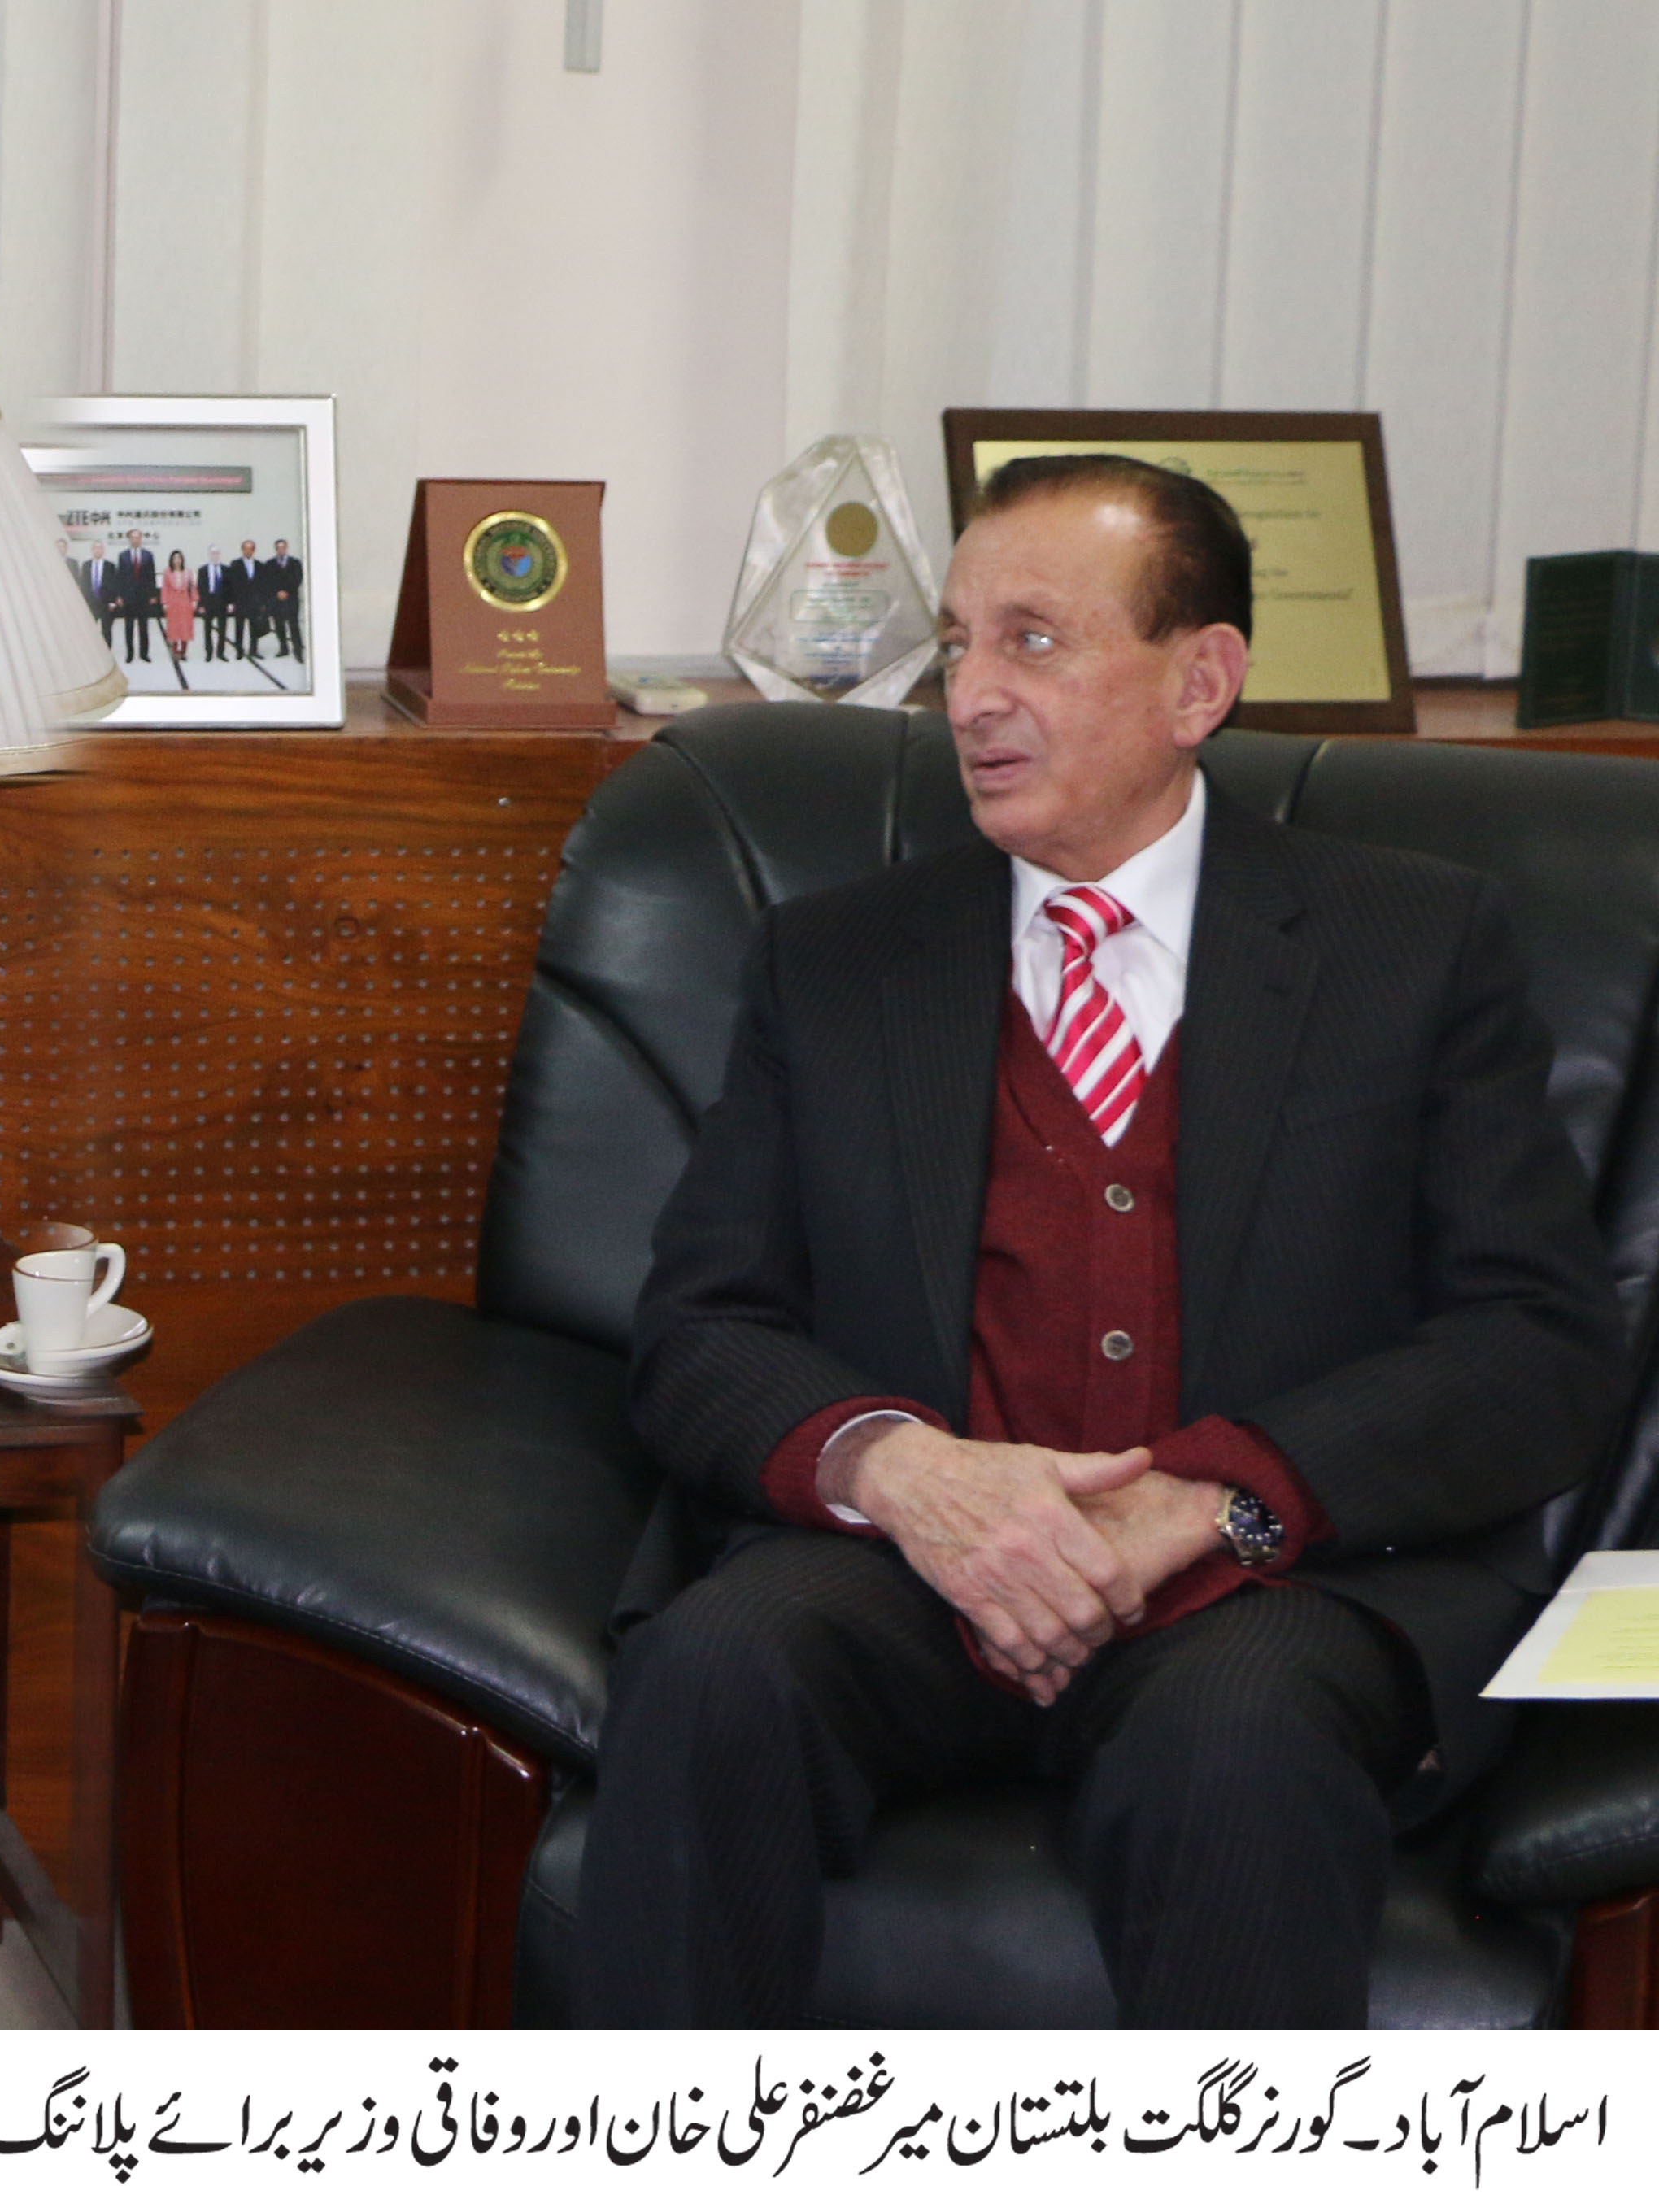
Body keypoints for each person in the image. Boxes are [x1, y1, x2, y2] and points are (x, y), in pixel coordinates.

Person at [573, 453, 1622, 2029]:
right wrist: (909, 1476)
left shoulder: (1409, 946)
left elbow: (1534, 1346)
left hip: (1264, 1589)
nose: (970, 696)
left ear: (1199, 682)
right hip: (904, 1575)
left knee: (1236, 1743)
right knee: (714, 1669)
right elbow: (700, 1328)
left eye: (1034, 641)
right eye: (958, 643)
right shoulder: (838, 962)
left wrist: (1204, 1501)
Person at [117, 532, 159, 664]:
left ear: (141, 539)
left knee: (144, 627)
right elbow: (120, 577)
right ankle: (130, 654)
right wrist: (119, 596)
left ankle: (144, 654)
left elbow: (151, 576)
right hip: (128, 597)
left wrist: (153, 594)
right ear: (129, 539)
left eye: (138, 537)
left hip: (144, 597)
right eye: (133, 538)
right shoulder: (123, 556)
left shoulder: (148, 555)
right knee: (129, 627)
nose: (135, 540)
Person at [158, 550, 200, 667]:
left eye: (179, 558)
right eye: (175, 558)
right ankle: (175, 651)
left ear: (182, 560)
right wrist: (164, 602)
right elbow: (165, 588)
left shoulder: (188, 572)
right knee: (174, 627)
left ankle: (184, 651)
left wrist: (195, 600)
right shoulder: (167, 572)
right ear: (171, 560)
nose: (177, 561)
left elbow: (192, 587)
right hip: (173, 602)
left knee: (185, 627)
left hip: (185, 602)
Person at [265, 538, 305, 662]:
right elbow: (268, 581)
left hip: (291, 598)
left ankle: (298, 650)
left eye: (283, 547)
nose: (281, 550)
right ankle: (283, 648)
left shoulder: (295, 563)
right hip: (276, 599)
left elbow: (298, 579)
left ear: (286, 548)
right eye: (278, 548)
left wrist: (286, 591)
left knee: (293, 625)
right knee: (279, 625)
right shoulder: (270, 564)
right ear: (276, 549)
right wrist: (277, 592)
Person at [197, 551, 235, 662]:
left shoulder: (226, 569)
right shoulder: (203, 570)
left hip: (222, 601)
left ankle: (221, 652)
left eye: (217, 554)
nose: (215, 556)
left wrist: (230, 603)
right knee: (207, 629)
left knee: (222, 628)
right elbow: (200, 588)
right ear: (209, 555)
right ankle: (209, 652)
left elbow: (230, 588)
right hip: (208, 601)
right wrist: (201, 604)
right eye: (213, 554)